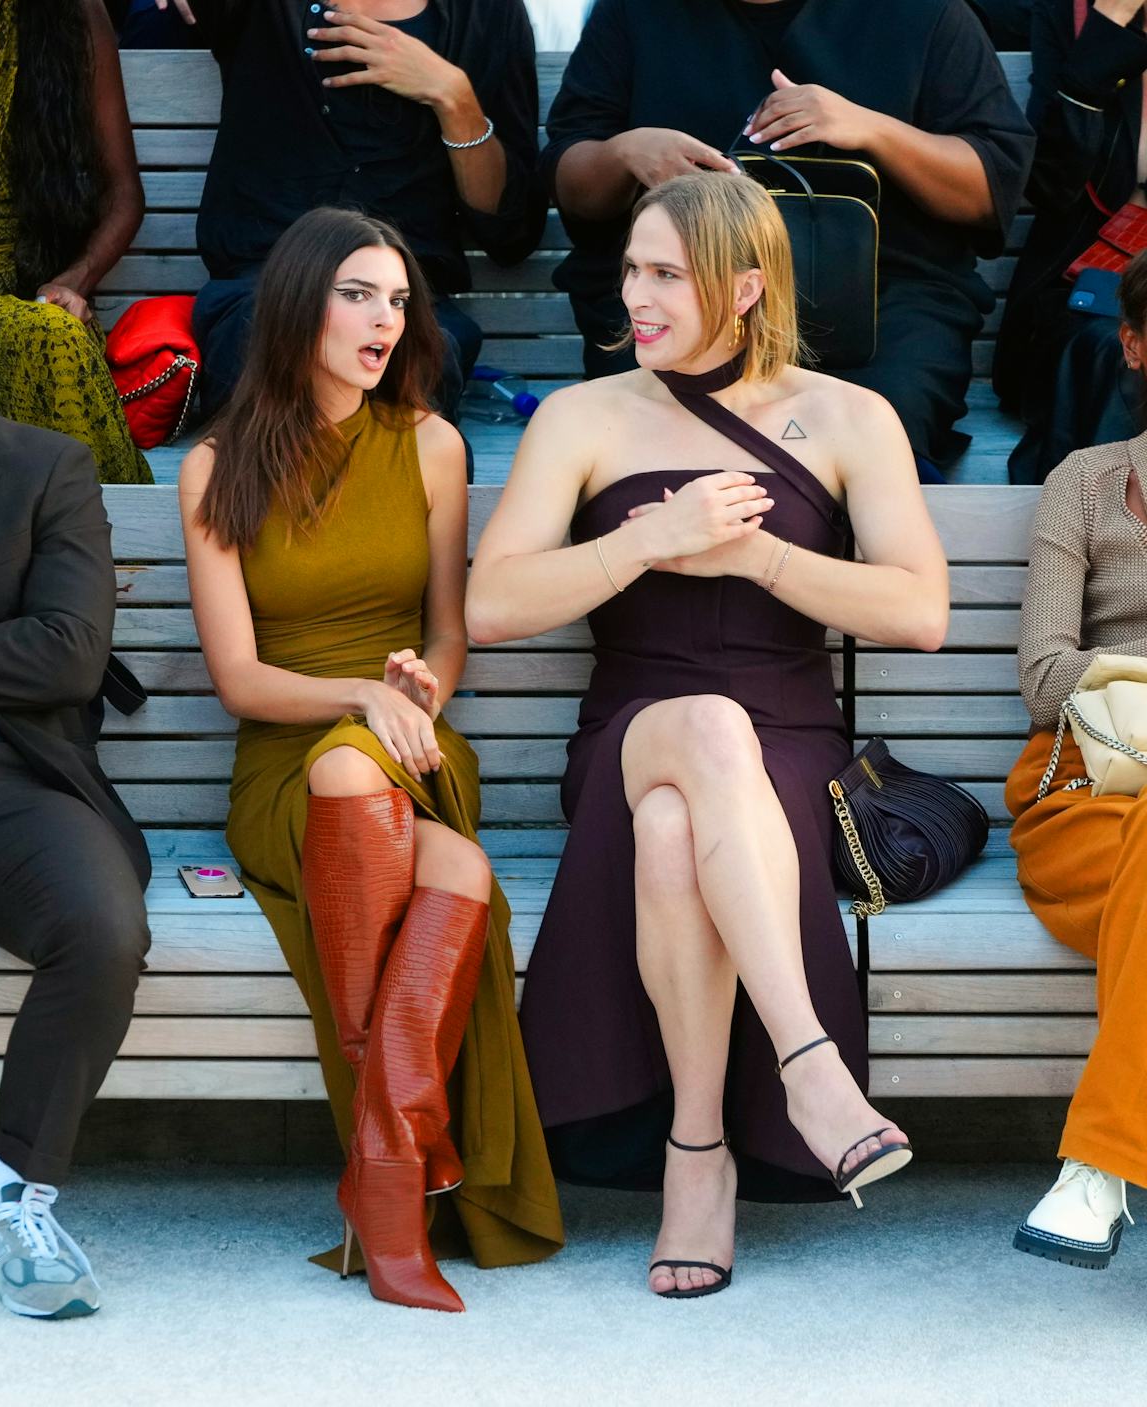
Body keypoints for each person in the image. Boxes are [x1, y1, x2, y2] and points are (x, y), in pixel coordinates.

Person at [467, 172, 949, 1298]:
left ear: (744, 286)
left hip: (788, 749)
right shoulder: (583, 416)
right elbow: (493, 607)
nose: (635, 293)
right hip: (628, 730)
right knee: (694, 741)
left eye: (664, 274)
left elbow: (921, 614)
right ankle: (812, 1064)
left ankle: (697, 1157)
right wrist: (653, 539)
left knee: (690, 813)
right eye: (630, 268)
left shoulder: (849, 417)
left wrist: (756, 555)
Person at [179, 206, 563, 1313]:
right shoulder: (213, 470)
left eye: (398, 299)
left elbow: (450, 632)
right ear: (301, 301)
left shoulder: (432, 444)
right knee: (455, 870)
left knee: (399, 805)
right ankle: (392, 1176)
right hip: (287, 762)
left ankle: (383, 1181)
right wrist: (354, 696)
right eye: (359, 293)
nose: (385, 318)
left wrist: (419, 689)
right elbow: (240, 681)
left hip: (411, 744)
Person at [543, 0, 1034, 478]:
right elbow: (571, 186)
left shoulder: (927, 12)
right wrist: (625, 152)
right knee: (650, 437)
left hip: (883, 306)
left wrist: (871, 129)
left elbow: (990, 188)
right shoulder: (635, 12)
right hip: (679, 295)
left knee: (875, 429)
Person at [0, 250, 152, 1319]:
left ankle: (5, 1195)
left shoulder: (40, 465)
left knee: (102, 922)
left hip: (2, 773)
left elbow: (70, 657)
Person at [155, 0, 545, 431]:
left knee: (407, 366)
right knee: (269, 346)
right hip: (266, 292)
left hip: (404, 305)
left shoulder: (487, 14)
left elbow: (510, 231)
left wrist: (452, 96)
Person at [1004, 251, 1147, 1271]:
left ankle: (1099, 1168)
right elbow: (1047, 679)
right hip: (1080, 791)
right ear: (1135, 346)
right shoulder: (1084, 486)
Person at [0, 0, 152, 484]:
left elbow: (124, 195)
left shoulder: (72, 13)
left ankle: (106, 547)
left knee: (52, 334)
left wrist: (72, 281)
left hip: (22, 282)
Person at [997, 0, 1147, 484]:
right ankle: (1104, 539)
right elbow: (1052, 184)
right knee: (1120, 349)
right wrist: (1103, 37)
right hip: (1101, 277)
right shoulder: (1073, 16)